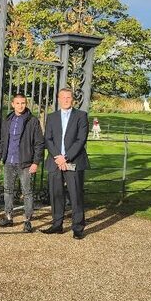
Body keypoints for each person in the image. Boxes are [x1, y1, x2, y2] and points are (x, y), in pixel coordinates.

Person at [41, 88, 90, 240]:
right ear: (58, 99)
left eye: (68, 97)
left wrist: (66, 157)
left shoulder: (81, 116)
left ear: (72, 99)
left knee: (76, 195)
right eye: (63, 97)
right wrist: (58, 157)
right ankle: (57, 224)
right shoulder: (52, 117)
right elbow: (48, 138)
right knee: (56, 194)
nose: (66, 100)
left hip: (73, 160)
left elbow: (81, 139)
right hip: (55, 161)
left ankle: (78, 228)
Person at [0, 94, 44, 233]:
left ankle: (27, 220)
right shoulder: (8, 120)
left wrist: (35, 162)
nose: (20, 105)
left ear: (26, 104)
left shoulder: (32, 121)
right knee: (8, 191)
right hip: (9, 161)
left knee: (27, 192)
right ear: (12, 104)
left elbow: (39, 143)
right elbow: (3, 141)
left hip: (25, 163)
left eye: (23, 103)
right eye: (17, 103)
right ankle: (8, 217)